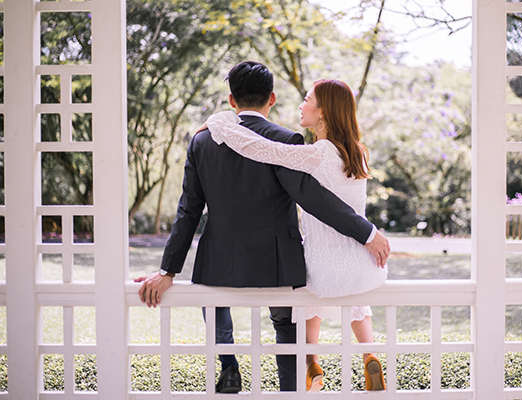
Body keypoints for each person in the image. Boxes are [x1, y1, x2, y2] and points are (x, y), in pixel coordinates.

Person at [135, 62, 390, 393]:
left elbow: (189, 211)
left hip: (219, 261)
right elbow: (312, 198)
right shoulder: (288, 140)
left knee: (214, 304)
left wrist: (167, 271)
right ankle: (290, 389)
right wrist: (367, 233)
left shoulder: (201, 142)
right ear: (271, 98)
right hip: (277, 263)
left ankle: (228, 366)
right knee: (286, 324)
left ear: (231, 100)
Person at [206, 79, 388, 392]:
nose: (301, 106)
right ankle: (369, 353)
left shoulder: (315, 154)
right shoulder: (359, 153)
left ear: (323, 113)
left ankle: (311, 363)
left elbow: (260, 149)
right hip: (362, 261)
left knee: (306, 302)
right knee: (358, 305)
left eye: (307, 100)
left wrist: (219, 122)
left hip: (322, 264)